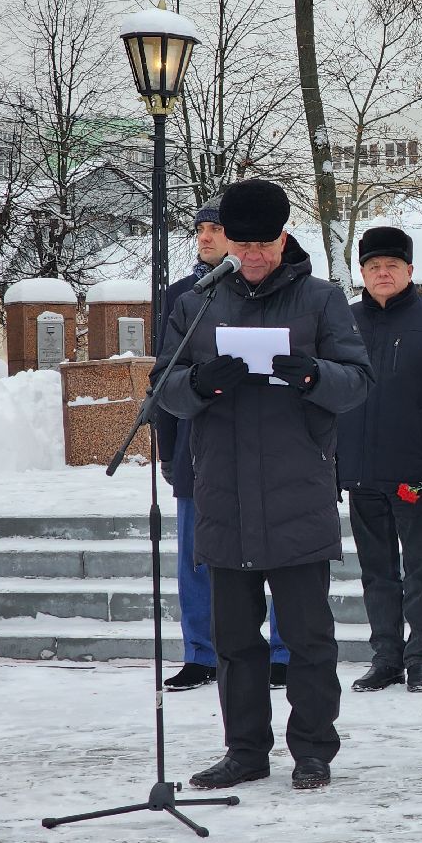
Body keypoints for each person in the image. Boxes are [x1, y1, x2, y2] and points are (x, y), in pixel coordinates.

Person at [152, 178, 372, 791]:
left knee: (307, 637)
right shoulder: (197, 303)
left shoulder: (321, 300)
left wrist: (313, 376)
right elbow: (162, 388)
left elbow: (358, 381)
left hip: (296, 488)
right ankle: (245, 752)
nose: (253, 255)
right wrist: (199, 384)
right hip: (222, 491)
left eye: (264, 243)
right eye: (241, 242)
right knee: (233, 642)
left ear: (284, 236)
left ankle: (312, 750)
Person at [155, 197, 291, 693]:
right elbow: (165, 375)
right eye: (200, 230)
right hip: (201, 448)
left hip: (274, 450)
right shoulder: (182, 296)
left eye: (216, 229)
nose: (207, 237)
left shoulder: (286, 290)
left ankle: (281, 649)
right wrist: (168, 450)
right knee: (198, 558)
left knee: (282, 559)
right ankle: (201, 652)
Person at [338, 226, 422, 694]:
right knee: (375, 572)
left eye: (391, 266)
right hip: (359, 471)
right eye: (373, 266)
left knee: (419, 568)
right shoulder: (343, 321)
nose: (382, 273)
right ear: (362, 272)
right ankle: (386, 657)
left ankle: (421, 658)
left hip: (414, 474)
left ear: (409, 270)